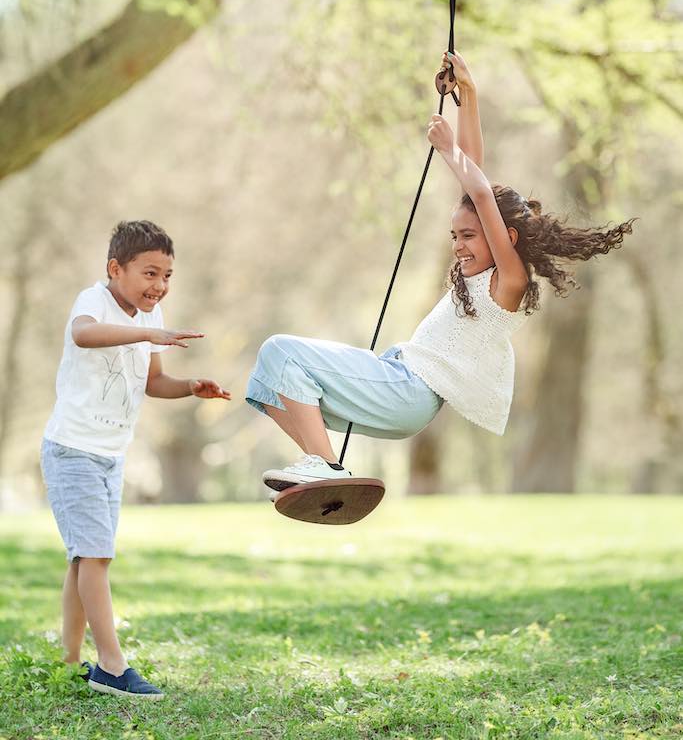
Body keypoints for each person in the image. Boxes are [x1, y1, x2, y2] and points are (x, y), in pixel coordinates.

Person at [246, 51, 634, 491]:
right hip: (396, 380)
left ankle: (323, 466)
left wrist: (449, 150)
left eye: (468, 235)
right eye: (454, 236)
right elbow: (476, 181)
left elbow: (482, 195)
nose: (458, 246)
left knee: (282, 349)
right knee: (267, 379)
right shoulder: (478, 274)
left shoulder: (509, 282)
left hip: (408, 391)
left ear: (505, 236)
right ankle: (323, 473)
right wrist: (467, 94)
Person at [40, 220, 230, 699]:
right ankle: (111, 664)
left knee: (84, 557)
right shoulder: (94, 301)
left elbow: (153, 382)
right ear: (114, 268)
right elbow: (83, 336)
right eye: (149, 274)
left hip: (110, 455)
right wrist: (151, 332)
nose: (159, 286)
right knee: (96, 556)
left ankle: (69, 661)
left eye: (166, 276)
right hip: (74, 450)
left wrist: (189, 387)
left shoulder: (152, 315)